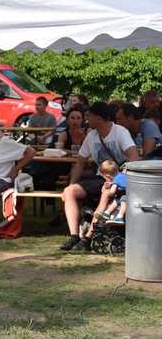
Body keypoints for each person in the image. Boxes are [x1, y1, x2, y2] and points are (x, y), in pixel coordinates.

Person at [60, 102, 139, 251]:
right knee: (70, 192)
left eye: (89, 116)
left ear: (99, 118)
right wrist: (70, 184)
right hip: (101, 177)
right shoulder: (92, 136)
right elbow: (79, 164)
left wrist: (120, 180)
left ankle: (88, 237)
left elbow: (134, 158)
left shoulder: (119, 132)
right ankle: (74, 236)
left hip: (121, 179)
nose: (86, 119)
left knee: (105, 193)